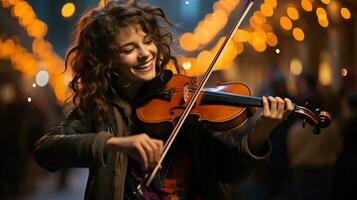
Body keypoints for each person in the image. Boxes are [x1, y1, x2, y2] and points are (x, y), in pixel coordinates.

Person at [34, 0, 293, 199]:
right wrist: (115, 143)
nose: (145, 53)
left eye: (147, 41)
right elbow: (47, 150)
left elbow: (230, 171)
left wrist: (261, 131)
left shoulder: (186, 100)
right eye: (128, 49)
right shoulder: (100, 108)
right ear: (107, 61)